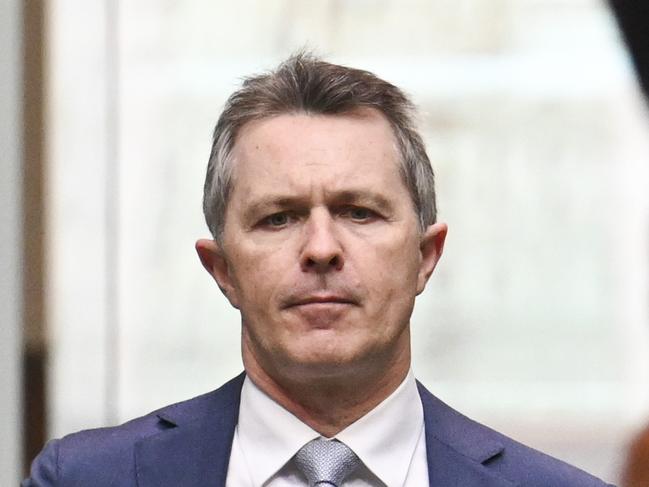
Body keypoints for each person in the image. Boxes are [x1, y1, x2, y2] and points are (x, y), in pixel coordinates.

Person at [24, 53, 614, 487]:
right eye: (279, 218)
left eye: (360, 212)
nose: (322, 249)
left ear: (424, 258)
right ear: (221, 269)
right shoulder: (84, 477)